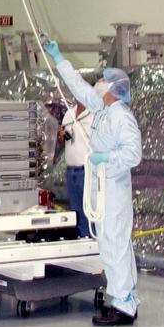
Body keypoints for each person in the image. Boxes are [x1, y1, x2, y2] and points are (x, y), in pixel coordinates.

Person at [44, 39, 142, 325]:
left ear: (113, 90)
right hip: (102, 186)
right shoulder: (102, 109)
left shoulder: (121, 118)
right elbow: (77, 86)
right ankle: (122, 299)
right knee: (109, 243)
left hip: (113, 185)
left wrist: (105, 159)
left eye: (103, 81)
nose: (98, 84)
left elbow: (133, 155)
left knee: (116, 243)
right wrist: (58, 57)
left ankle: (124, 303)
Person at [59, 97, 93, 238]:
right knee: (77, 212)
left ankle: (94, 242)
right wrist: (60, 136)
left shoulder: (95, 115)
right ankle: (83, 238)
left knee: (90, 210)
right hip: (71, 170)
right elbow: (62, 144)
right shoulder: (69, 114)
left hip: (87, 170)